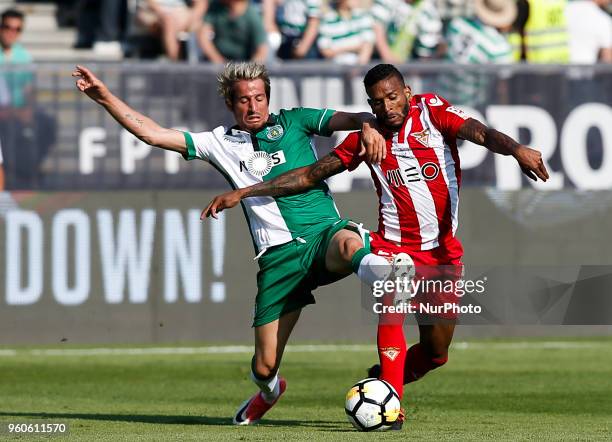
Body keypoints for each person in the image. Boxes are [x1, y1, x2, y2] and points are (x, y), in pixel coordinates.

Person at [202, 63, 549, 429]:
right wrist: (244, 192)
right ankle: (392, 406)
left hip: (441, 251)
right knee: (392, 302)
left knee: (436, 353)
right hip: (392, 248)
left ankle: (382, 377)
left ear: (408, 93)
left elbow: (481, 133)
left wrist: (515, 149)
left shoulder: (434, 113)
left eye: (392, 97)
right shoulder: (365, 141)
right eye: (377, 102)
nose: (387, 108)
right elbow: (307, 176)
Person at [73, 61, 403, 425]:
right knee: (263, 366)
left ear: (269, 98)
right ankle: (269, 391)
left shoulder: (296, 120)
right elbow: (152, 133)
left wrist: (369, 126)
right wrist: (103, 96)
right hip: (278, 263)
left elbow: (357, 116)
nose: (253, 106)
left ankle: (394, 276)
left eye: (260, 98)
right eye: (244, 100)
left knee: (348, 245)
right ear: (231, 104)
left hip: (323, 234)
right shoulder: (218, 142)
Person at [198, 0, 268, 63]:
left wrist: (249, 71)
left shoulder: (252, 15)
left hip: (243, 65)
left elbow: (261, 50)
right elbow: (203, 36)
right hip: (217, 64)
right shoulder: (215, 7)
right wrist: (219, 62)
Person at [136, 0, 207, 60]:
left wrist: (191, 18)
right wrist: (165, 15)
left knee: (202, 29)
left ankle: (216, 68)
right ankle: (176, 64)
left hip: (180, 15)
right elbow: (149, 3)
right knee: (169, 22)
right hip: (151, 12)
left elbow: (201, 4)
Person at [317, 0, 375, 65]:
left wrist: (357, 69)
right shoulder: (328, 20)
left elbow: (367, 46)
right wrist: (354, 48)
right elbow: (326, 51)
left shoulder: (362, 16)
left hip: (359, 71)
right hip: (335, 70)